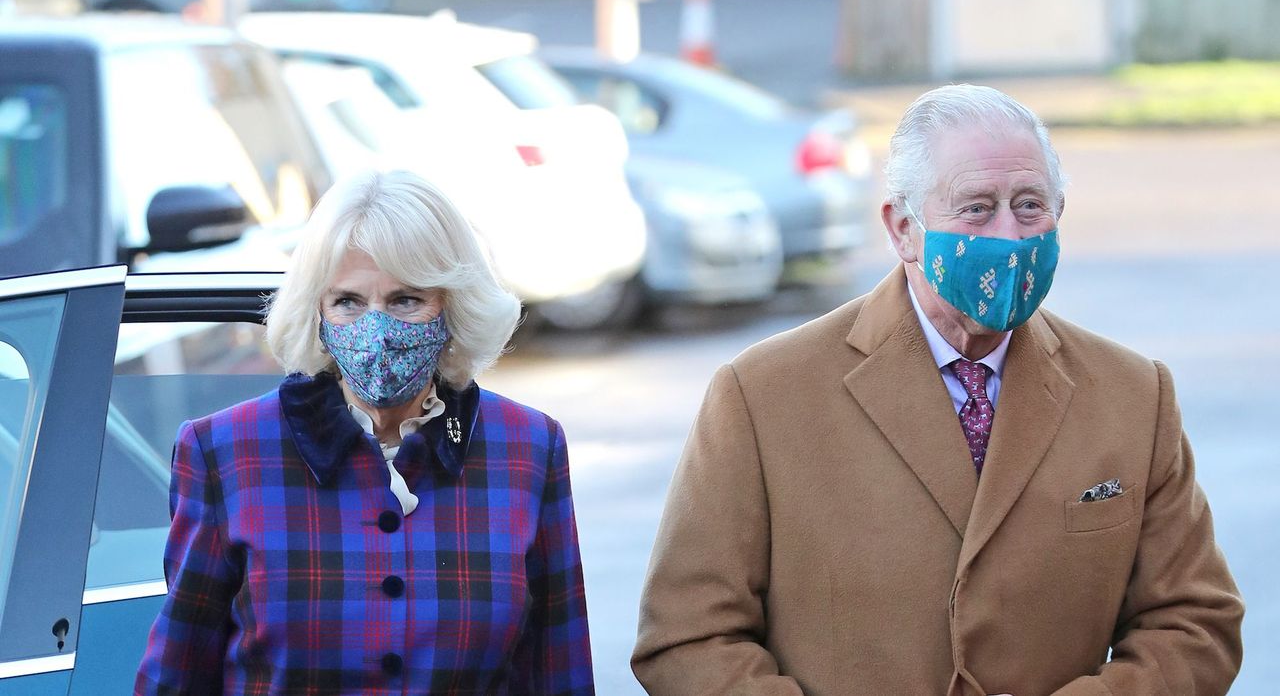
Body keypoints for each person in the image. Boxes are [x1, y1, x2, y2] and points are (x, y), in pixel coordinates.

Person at [631, 85, 1243, 695]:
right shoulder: (761, 395)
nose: (1008, 236)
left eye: (1030, 205)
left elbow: (1196, 626)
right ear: (904, 230)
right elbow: (687, 639)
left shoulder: (1134, 394)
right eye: (977, 208)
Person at [136, 170, 593, 694]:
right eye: (348, 302)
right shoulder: (224, 452)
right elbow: (176, 676)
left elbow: (561, 673)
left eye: (405, 300)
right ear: (318, 311)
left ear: (454, 306)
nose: (376, 330)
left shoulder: (529, 448)